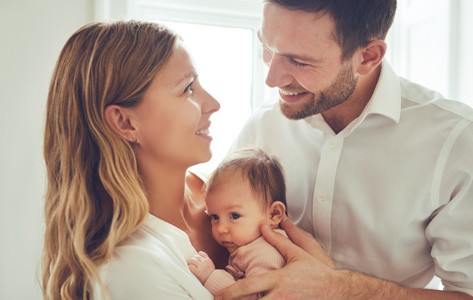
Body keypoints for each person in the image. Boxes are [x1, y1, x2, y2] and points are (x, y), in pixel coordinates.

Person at [221, 0, 473, 299]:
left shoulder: (456, 141)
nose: (272, 79)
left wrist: (339, 288)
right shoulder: (262, 125)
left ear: (368, 57)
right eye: (267, 47)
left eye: (299, 61)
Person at [41, 21, 226, 299]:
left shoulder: (228, 190)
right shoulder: (132, 270)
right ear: (125, 122)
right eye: (188, 88)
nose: (213, 103)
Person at [187, 148, 291, 298]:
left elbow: (255, 296)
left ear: (274, 214)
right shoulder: (250, 246)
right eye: (215, 217)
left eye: (234, 215)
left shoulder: (266, 253)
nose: (221, 229)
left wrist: (210, 277)